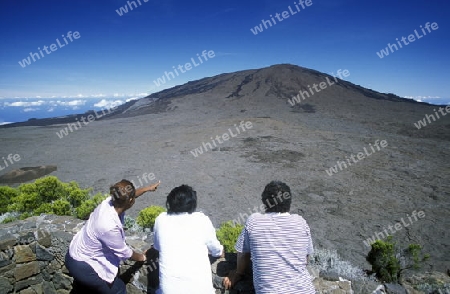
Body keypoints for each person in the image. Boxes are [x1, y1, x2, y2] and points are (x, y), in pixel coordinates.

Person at [65, 179, 160, 294]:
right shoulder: (109, 226)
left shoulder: (109, 202)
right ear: (130, 201)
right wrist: (143, 257)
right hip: (83, 266)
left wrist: (147, 188)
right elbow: (124, 252)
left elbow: (128, 195)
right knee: (118, 289)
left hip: (73, 255)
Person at [223, 181, 316, 294]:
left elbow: (243, 254)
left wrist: (238, 273)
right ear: (289, 202)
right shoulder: (301, 222)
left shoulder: (254, 221)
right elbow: (305, 259)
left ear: (264, 203)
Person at [153, 184, 224, 294]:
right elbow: (216, 251)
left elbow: (157, 247)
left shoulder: (161, 220)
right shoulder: (202, 220)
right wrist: (221, 252)